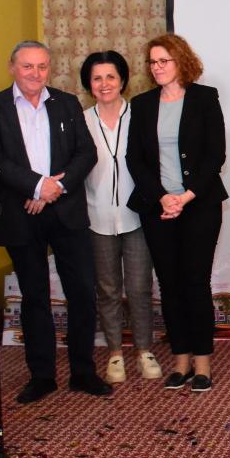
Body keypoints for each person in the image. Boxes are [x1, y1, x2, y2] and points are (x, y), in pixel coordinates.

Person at [0, 40, 109, 405]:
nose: (36, 73)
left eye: (42, 66)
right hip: (21, 213)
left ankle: (83, 371)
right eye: (28, 66)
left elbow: (86, 153)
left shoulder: (67, 103)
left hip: (66, 211)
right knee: (35, 297)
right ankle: (42, 376)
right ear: (12, 67)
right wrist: (35, 186)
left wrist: (54, 188)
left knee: (82, 292)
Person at [127, 33, 227, 393]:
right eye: (152, 62)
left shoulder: (205, 98)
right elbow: (135, 159)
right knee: (169, 285)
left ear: (181, 61)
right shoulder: (141, 104)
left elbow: (215, 155)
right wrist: (161, 198)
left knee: (195, 283)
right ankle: (181, 360)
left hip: (199, 205)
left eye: (163, 61)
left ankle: (202, 363)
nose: (156, 68)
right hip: (158, 208)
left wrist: (184, 197)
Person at [81, 50, 160, 385]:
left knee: (140, 287)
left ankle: (144, 350)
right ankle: (115, 351)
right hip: (96, 216)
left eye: (110, 77)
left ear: (123, 80)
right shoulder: (82, 120)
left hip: (137, 216)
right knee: (108, 289)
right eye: (97, 78)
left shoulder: (140, 116)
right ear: (89, 84)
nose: (104, 84)